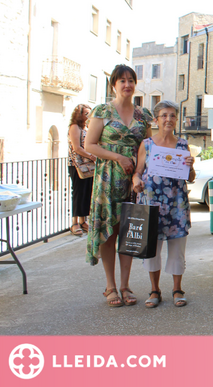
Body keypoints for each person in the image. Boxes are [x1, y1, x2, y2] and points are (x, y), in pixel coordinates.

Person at [85, 64, 153, 307]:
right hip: (107, 178)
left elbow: (148, 147)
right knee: (109, 231)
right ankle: (110, 286)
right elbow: (89, 144)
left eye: (131, 80)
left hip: (133, 181)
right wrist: (118, 157)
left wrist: (138, 171)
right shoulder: (102, 111)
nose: (127, 85)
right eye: (121, 80)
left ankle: (125, 285)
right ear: (113, 84)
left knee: (129, 231)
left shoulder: (143, 115)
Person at [132, 101, 195, 308]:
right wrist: (136, 181)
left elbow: (190, 177)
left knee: (177, 248)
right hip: (151, 203)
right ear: (157, 119)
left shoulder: (183, 145)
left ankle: (177, 289)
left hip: (176, 203)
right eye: (164, 115)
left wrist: (191, 167)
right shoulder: (147, 144)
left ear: (176, 119)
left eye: (172, 116)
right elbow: (138, 171)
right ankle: (154, 290)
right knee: (152, 248)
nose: (168, 119)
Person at [67, 104, 96, 237]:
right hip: (77, 165)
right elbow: (77, 148)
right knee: (78, 193)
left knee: (86, 193)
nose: (88, 116)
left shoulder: (86, 128)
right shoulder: (75, 127)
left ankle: (83, 221)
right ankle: (74, 223)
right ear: (79, 115)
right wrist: (91, 156)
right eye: (86, 113)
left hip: (88, 165)